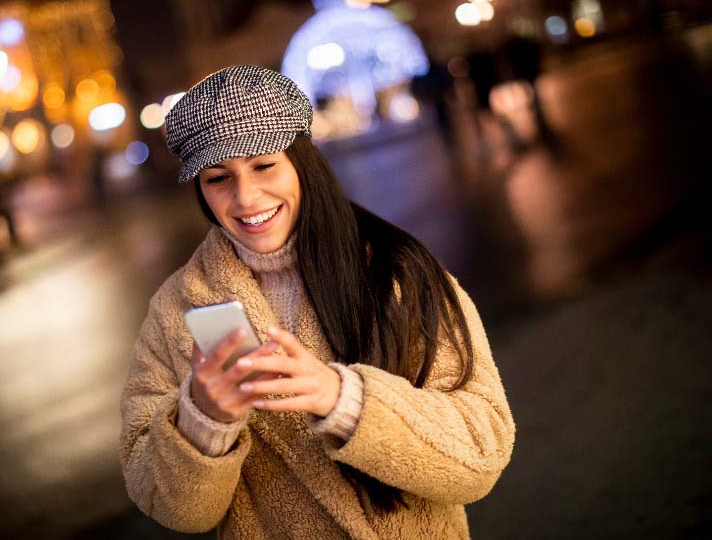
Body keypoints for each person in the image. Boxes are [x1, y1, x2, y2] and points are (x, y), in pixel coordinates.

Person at [120, 65, 515, 538]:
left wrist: (343, 400)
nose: (245, 197)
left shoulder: (398, 271)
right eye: (217, 177)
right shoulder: (175, 310)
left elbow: (482, 452)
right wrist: (202, 421)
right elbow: (173, 509)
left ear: (302, 162)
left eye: (264, 165)